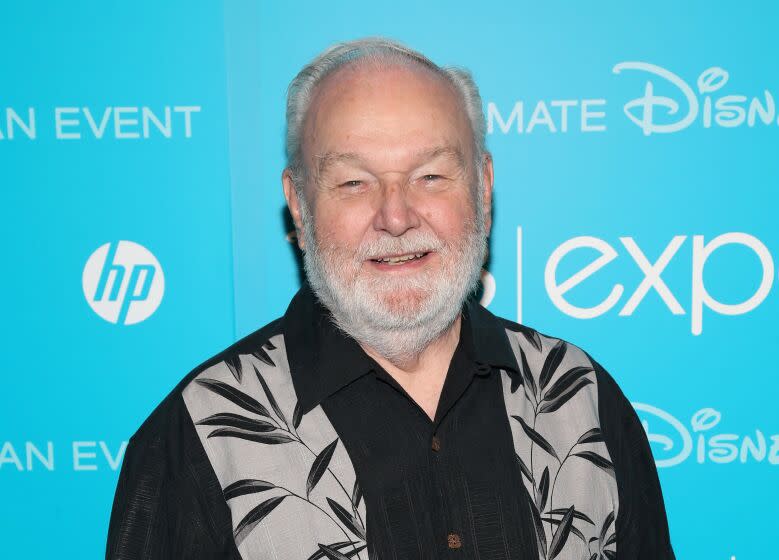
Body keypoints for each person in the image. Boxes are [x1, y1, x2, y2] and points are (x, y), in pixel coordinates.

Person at [106, 37, 675, 560]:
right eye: (354, 182)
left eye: (430, 176)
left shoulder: (580, 399)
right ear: (300, 205)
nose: (396, 217)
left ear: (482, 187)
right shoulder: (199, 436)